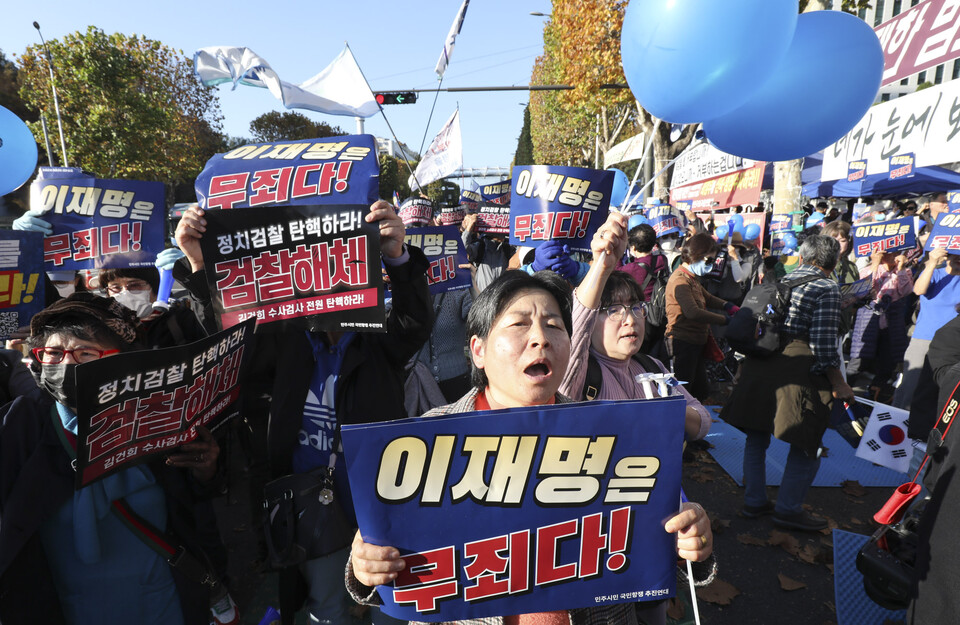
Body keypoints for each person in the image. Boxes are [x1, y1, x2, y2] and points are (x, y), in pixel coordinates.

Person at [346, 270, 713, 625]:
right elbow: (382, 571)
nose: (541, 338)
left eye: (554, 325)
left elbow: (656, 549)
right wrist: (365, 566)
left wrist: (691, 545)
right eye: (519, 324)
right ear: (478, 350)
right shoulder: (423, 442)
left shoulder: (617, 437)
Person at [176, 200, 433, 625]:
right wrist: (201, 265)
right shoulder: (283, 343)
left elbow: (415, 321)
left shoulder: (378, 343)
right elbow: (228, 341)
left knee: (393, 610)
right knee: (328, 608)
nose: (328, 287)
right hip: (309, 506)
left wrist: (397, 257)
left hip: (379, 502)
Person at [0, 293, 221, 624]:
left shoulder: (160, 420)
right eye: (54, 353)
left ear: (126, 360)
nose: (67, 365)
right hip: (63, 609)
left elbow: (193, 507)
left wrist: (206, 471)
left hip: (160, 604)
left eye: (86, 353)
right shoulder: (21, 427)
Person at [721, 235, 854, 532]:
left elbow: (751, 326)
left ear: (803, 257)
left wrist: (741, 366)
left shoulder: (773, 280)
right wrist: (839, 383)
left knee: (756, 438)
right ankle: (788, 509)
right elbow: (823, 344)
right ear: (832, 262)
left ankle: (754, 502)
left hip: (759, 363)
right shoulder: (826, 287)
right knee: (806, 442)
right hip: (799, 367)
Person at [560, 213, 711, 444]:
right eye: (614, 310)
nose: (630, 320)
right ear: (591, 319)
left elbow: (702, 422)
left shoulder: (652, 366)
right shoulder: (578, 372)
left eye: (636, 308)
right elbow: (577, 325)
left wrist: (669, 409)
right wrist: (601, 264)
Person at [664, 233, 738, 402]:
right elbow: (693, 312)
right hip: (682, 343)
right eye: (709, 261)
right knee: (683, 394)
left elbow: (709, 298)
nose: (711, 265)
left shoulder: (692, 278)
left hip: (695, 343)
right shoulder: (680, 281)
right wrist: (726, 320)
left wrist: (729, 306)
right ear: (696, 255)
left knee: (699, 391)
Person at [893, 248, 960, 409]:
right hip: (924, 339)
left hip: (952, 344)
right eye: (955, 253)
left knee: (942, 391)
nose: (958, 257)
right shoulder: (935, 274)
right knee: (910, 389)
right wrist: (932, 263)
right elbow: (918, 290)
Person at [847, 250, 914, 397]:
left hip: (892, 321)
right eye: (887, 253)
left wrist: (901, 269)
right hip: (869, 317)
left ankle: (874, 394)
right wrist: (875, 264)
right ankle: (845, 389)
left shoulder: (904, 271)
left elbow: (906, 291)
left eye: (896, 253)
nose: (892, 256)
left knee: (888, 361)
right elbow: (861, 292)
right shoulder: (869, 269)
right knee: (859, 359)